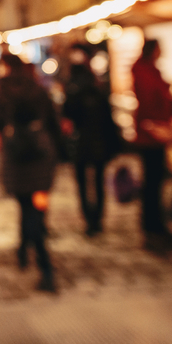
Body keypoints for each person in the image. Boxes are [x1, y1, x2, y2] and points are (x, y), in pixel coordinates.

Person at [0, 53, 62, 292]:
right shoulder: (38, 88)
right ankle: (27, 249)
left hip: (16, 156)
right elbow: (53, 121)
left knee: (27, 207)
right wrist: (61, 151)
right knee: (36, 205)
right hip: (41, 154)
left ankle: (40, 261)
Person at [130, 39, 172, 249]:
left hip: (155, 132)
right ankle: (153, 228)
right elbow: (151, 99)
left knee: (155, 182)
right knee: (153, 183)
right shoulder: (144, 71)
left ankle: (156, 226)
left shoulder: (149, 70)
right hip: (151, 134)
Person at [63, 46, 116, 236]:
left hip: (81, 141)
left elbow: (68, 114)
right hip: (97, 140)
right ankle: (97, 218)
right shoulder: (96, 87)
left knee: (83, 182)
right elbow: (107, 117)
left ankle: (89, 218)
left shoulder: (73, 89)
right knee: (98, 181)